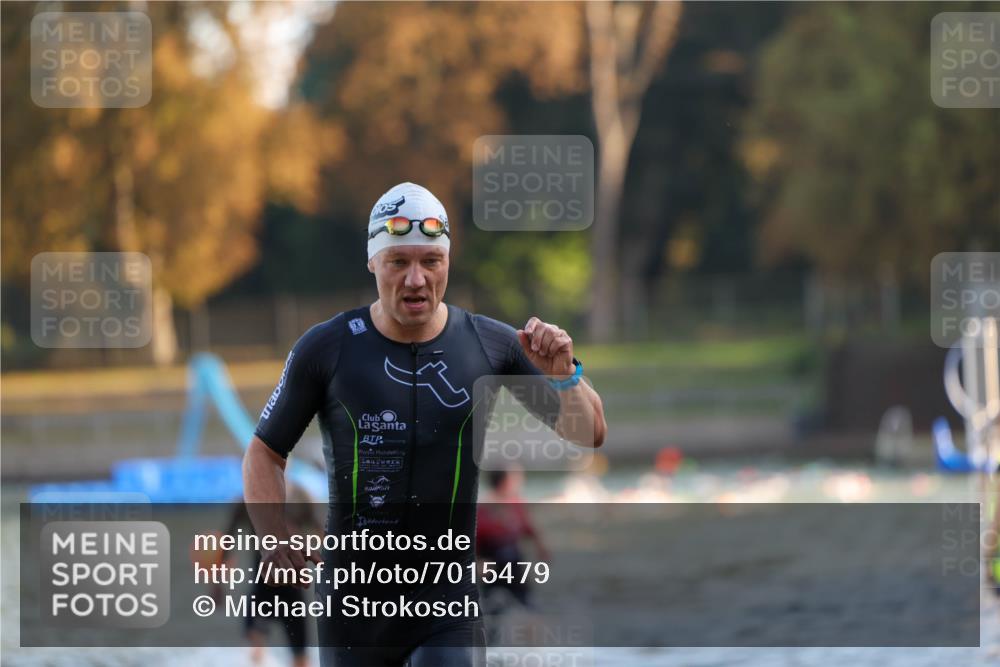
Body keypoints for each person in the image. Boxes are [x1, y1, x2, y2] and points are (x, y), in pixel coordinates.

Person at [242, 182, 607, 667]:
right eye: (399, 262)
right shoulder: (327, 348)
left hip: (447, 601)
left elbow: (590, 433)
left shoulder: (490, 344)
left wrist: (565, 378)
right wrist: (274, 535)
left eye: (430, 262)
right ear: (373, 262)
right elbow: (264, 453)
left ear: (448, 263)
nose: (416, 280)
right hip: (353, 607)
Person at [209, 485, 321, 667]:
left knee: (300, 657)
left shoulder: (301, 496)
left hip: (294, 587)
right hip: (262, 585)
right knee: (255, 649)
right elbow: (227, 542)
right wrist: (216, 582)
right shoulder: (246, 501)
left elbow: (321, 532)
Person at [476, 466, 549, 611]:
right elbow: (471, 540)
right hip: (492, 566)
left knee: (527, 604)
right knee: (493, 606)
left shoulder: (516, 503)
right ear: (504, 482)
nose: (520, 482)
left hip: (515, 564)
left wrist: (541, 547)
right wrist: (478, 561)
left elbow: (529, 528)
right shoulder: (483, 509)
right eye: (516, 478)